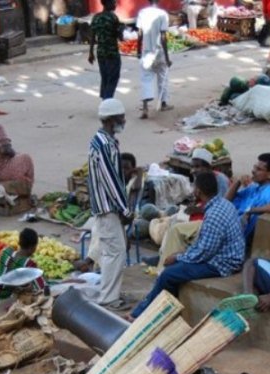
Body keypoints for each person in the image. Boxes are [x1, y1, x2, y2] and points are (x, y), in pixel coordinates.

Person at [127, 171, 245, 321]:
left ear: (198, 191)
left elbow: (204, 252)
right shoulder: (223, 203)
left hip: (222, 264)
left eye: (194, 187)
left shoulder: (214, 214)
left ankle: (141, 315)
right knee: (174, 269)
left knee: (168, 274)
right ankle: (156, 311)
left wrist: (178, 257)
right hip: (224, 257)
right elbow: (204, 246)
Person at [88, 98, 133, 311]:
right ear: (111, 119)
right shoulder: (105, 145)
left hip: (106, 207)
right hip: (108, 209)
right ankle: (109, 299)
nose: (124, 120)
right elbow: (111, 180)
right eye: (121, 117)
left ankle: (109, 295)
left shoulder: (102, 140)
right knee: (116, 253)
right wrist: (125, 209)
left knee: (111, 253)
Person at [225, 152, 270, 246]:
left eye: (259, 169)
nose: (253, 171)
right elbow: (226, 202)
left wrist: (251, 210)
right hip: (230, 233)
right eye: (255, 167)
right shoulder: (253, 188)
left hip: (237, 243)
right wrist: (238, 182)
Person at [0, 228, 46, 300]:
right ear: (32, 247)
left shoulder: (6, 251)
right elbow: (42, 287)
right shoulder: (29, 264)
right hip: (3, 296)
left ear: (20, 242)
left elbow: (3, 270)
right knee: (28, 288)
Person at [137, 0, 172, 119]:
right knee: (163, 77)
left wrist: (138, 51)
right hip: (159, 51)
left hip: (146, 51)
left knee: (146, 79)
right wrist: (167, 57)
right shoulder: (162, 14)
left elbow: (140, 34)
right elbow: (163, 37)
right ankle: (163, 103)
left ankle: (145, 108)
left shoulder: (142, 13)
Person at [88, 0, 123, 100]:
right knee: (113, 78)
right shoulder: (113, 18)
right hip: (112, 53)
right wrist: (121, 29)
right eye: (113, 2)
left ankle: (104, 100)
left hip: (100, 53)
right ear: (108, 3)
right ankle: (107, 100)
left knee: (105, 78)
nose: (115, 4)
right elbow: (120, 37)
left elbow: (92, 37)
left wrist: (91, 53)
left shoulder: (96, 17)